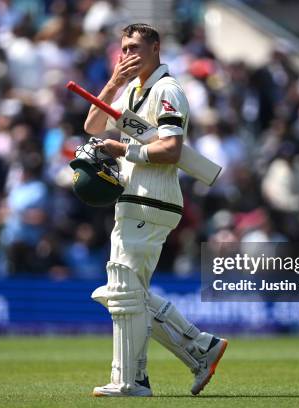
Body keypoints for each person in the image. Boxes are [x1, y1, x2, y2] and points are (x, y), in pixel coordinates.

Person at [83, 23, 227, 397]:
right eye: (124, 48)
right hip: (134, 198)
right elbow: (92, 125)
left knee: (125, 293)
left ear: (156, 48)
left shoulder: (167, 90)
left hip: (153, 199)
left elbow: (172, 150)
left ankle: (129, 381)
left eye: (136, 47)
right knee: (128, 291)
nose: (129, 54)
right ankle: (200, 348)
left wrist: (124, 150)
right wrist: (112, 84)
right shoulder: (132, 91)